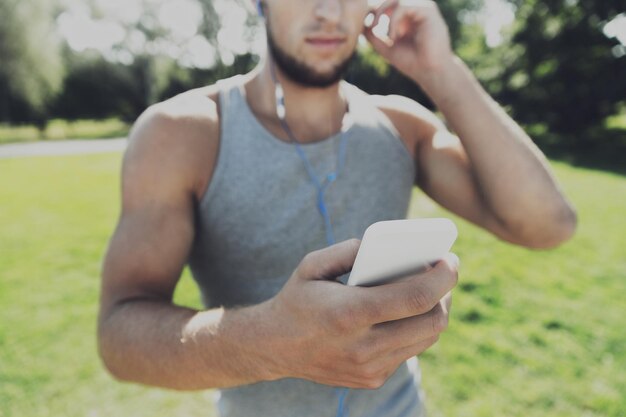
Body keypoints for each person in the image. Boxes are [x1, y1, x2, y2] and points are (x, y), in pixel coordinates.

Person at [97, 0, 577, 416]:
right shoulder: (181, 134)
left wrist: (441, 71)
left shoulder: (403, 126)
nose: (328, 12)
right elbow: (119, 336)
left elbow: (547, 225)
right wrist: (273, 344)